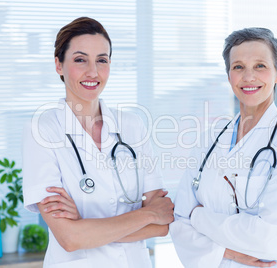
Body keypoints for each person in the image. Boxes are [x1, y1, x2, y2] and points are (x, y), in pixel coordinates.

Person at [22, 17, 174, 268]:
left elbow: (163, 224)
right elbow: (69, 239)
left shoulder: (132, 126)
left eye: (102, 60)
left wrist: (85, 227)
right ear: (58, 65)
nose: (93, 72)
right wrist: (147, 214)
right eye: (80, 59)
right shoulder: (41, 130)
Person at [169, 28, 277, 267]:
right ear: (229, 76)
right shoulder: (210, 139)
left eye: (260, 66)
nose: (248, 77)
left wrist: (199, 216)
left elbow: (271, 240)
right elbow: (179, 223)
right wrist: (229, 252)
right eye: (238, 67)